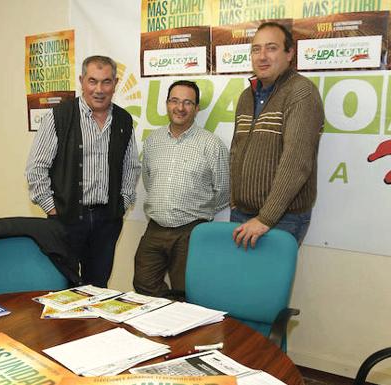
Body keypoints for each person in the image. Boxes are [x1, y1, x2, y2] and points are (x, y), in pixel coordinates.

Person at [25, 55, 140, 287]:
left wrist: (124, 201)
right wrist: (52, 208)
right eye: (92, 81)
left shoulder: (123, 120)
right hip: (66, 220)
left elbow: (131, 167)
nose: (99, 89)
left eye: (106, 82)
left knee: (98, 288)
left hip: (107, 221)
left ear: (115, 84)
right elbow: (36, 168)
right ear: (81, 81)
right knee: (64, 286)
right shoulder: (59, 117)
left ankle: (99, 325)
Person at [230, 22, 324, 249]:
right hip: (243, 214)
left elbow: (296, 161)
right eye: (256, 49)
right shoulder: (246, 96)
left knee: (265, 285)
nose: (262, 56)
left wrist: (265, 218)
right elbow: (236, 151)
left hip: (280, 219)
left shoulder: (301, 92)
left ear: (289, 53)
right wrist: (234, 200)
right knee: (241, 283)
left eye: (271, 48)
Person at [133, 80, 229, 298]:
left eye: (187, 103)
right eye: (174, 101)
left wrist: (198, 211)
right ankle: (166, 317)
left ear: (196, 109)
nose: (180, 108)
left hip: (191, 231)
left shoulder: (211, 144)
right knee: (143, 283)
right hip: (155, 228)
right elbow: (149, 181)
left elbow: (223, 190)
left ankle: (180, 322)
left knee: (187, 291)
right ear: (167, 104)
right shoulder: (153, 141)